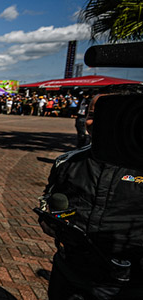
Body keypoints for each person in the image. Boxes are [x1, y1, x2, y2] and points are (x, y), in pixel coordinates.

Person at [38, 91, 143, 299]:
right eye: (92, 114)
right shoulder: (66, 162)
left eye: (109, 114)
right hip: (69, 272)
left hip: (128, 284)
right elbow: (51, 202)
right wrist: (51, 221)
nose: (96, 121)